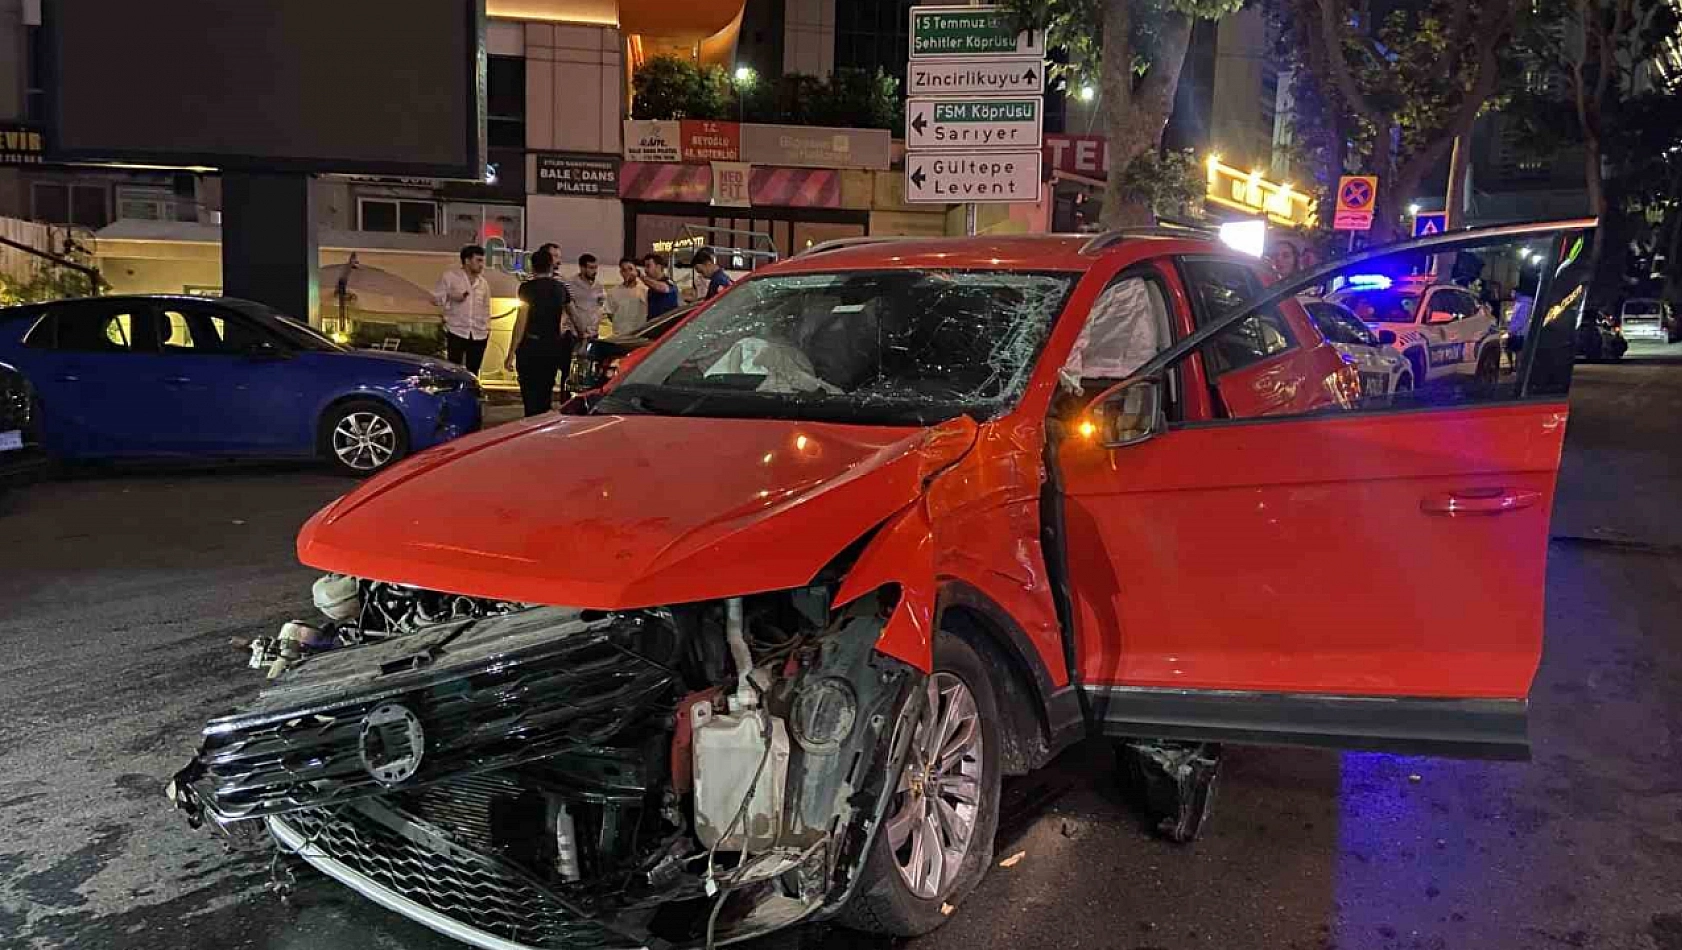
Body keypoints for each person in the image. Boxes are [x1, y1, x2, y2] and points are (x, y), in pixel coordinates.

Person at [504, 246, 573, 417]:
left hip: (530, 346)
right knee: (545, 390)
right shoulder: (560, 288)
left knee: (529, 392)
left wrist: (511, 352)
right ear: (551, 266)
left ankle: (530, 422)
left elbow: (521, 321)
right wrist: (583, 334)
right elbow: (573, 314)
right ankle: (542, 424)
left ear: (532, 267)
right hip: (551, 346)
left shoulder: (526, 289)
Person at [433, 244, 492, 373]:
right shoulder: (450, 277)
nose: (482, 265)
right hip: (457, 330)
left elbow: (486, 308)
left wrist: (487, 327)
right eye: (478, 260)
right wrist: (451, 296)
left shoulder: (483, 283)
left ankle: (470, 392)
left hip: (479, 333)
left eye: (482, 261)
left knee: (474, 371)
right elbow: (436, 299)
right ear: (467, 261)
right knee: (453, 369)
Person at [605, 257, 648, 336]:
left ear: (636, 271)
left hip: (640, 335)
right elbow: (610, 314)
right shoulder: (613, 292)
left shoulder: (645, 291)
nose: (628, 273)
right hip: (620, 336)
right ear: (621, 272)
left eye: (630, 269)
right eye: (624, 270)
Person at [569, 254, 608, 338]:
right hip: (575, 334)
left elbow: (601, 307)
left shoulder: (599, 286)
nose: (595, 271)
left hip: (593, 333)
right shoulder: (570, 285)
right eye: (591, 268)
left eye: (596, 267)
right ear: (582, 268)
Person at [639, 253, 681, 319]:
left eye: (648, 266)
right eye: (645, 266)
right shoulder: (651, 288)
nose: (645, 270)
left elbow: (663, 288)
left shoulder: (669, 283)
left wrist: (641, 276)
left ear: (658, 267)